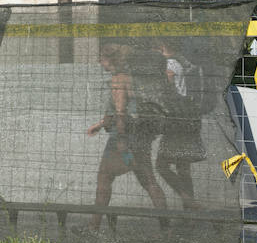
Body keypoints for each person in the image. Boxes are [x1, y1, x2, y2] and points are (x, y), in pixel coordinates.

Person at [86, 43, 166, 232]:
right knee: (149, 180)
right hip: (138, 137)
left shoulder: (118, 80)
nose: (99, 61)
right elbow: (126, 110)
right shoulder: (131, 78)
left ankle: (93, 227)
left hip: (121, 138)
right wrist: (99, 125)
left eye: (101, 58)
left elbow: (121, 112)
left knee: (104, 178)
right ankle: (166, 227)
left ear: (110, 60)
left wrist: (121, 141)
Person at [154, 42, 205, 209]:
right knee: (183, 167)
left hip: (176, 119)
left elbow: (169, 92)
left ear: (161, 47)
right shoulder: (183, 62)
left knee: (162, 165)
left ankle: (189, 202)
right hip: (188, 116)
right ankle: (189, 210)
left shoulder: (169, 64)